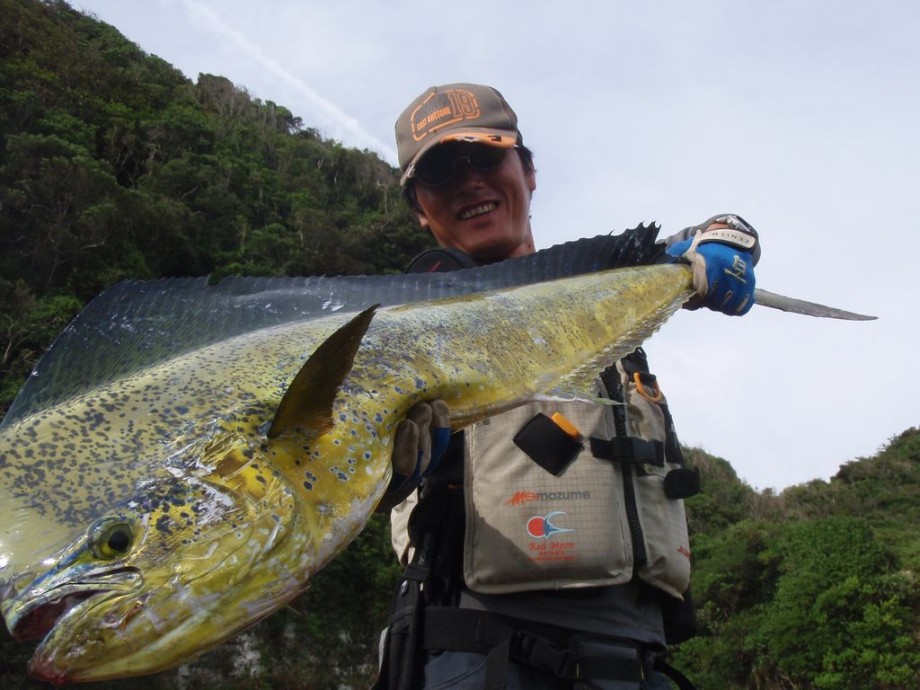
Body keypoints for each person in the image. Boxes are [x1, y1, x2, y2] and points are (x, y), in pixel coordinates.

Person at [374, 83, 759, 690]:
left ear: (528, 171)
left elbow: (722, 230)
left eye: (485, 156)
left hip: (642, 664)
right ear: (421, 209)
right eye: (442, 172)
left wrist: (725, 241)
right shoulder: (400, 329)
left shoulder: (606, 294)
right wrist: (388, 469)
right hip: (484, 659)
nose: (468, 181)